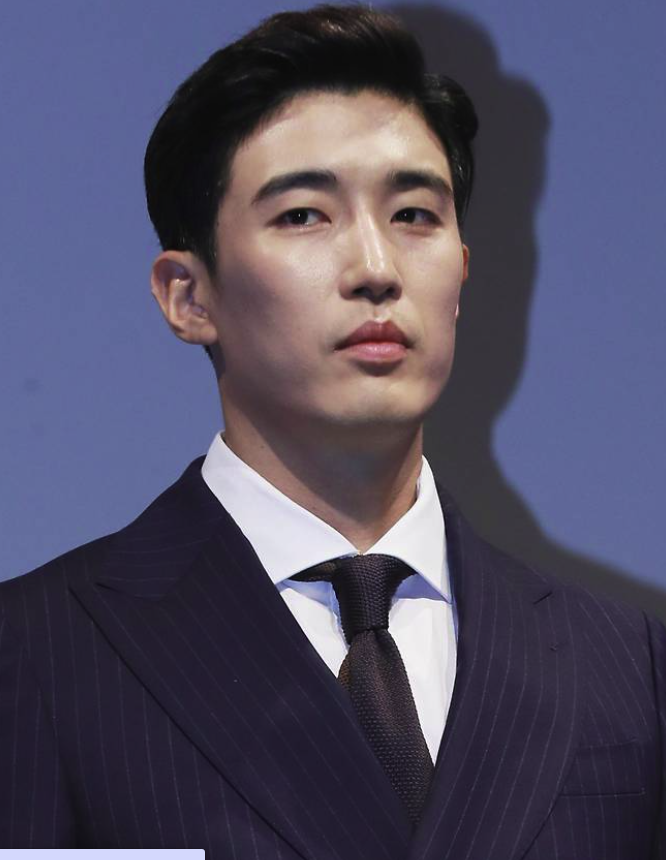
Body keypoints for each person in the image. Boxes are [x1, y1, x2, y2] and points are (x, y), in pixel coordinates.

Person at [1, 5, 664, 857]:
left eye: (414, 215)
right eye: (304, 216)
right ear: (188, 296)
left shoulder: (628, 667)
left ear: (463, 271)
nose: (377, 269)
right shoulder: (37, 653)